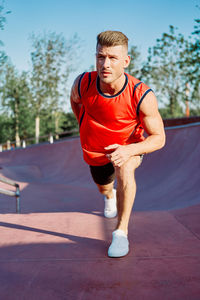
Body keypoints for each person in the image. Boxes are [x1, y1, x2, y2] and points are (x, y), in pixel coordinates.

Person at [70, 30, 165, 258]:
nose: (105, 64)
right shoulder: (83, 83)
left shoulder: (141, 94)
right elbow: (75, 102)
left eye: (113, 58)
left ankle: (121, 232)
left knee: (125, 168)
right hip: (95, 150)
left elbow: (159, 137)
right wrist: (84, 126)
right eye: (100, 57)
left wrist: (130, 149)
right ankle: (109, 195)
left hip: (128, 146)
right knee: (103, 186)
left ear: (126, 61)